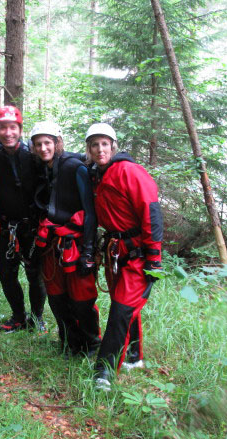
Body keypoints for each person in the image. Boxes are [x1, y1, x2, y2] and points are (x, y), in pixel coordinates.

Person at [84, 123, 163, 391]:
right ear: (89, 149)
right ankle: (134, 355)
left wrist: (154, 258)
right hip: (115, 250)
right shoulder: (98, 175)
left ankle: (104, 372)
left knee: (121, 311)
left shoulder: (129, 171)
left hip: (137, 252)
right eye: (94, 145)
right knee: (122, 305)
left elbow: (151, 211)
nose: (99, 149)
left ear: (113, 146)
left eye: (104, 144)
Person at [0, 106, 47, 333]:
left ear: (20, 130)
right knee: (7, 274)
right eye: (3, 128)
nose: (8, 133)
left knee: (36, 276)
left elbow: (63, 159)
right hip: (5, 227)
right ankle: (18, 316)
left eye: (12, 128)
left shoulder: (34, 155)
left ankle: (36, 318)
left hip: (32, 227)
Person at [30, 121, 101, 356]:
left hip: (75, 243)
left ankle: (91, 344)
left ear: (57, 143)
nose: (43, 148)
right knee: (57, 295)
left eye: (47, 142)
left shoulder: (74, 167)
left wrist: (89, 251)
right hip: (53, 243)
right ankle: (69, 341)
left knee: (81, 297)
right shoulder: (45, 168)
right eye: (38, 144)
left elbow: (90, 212)